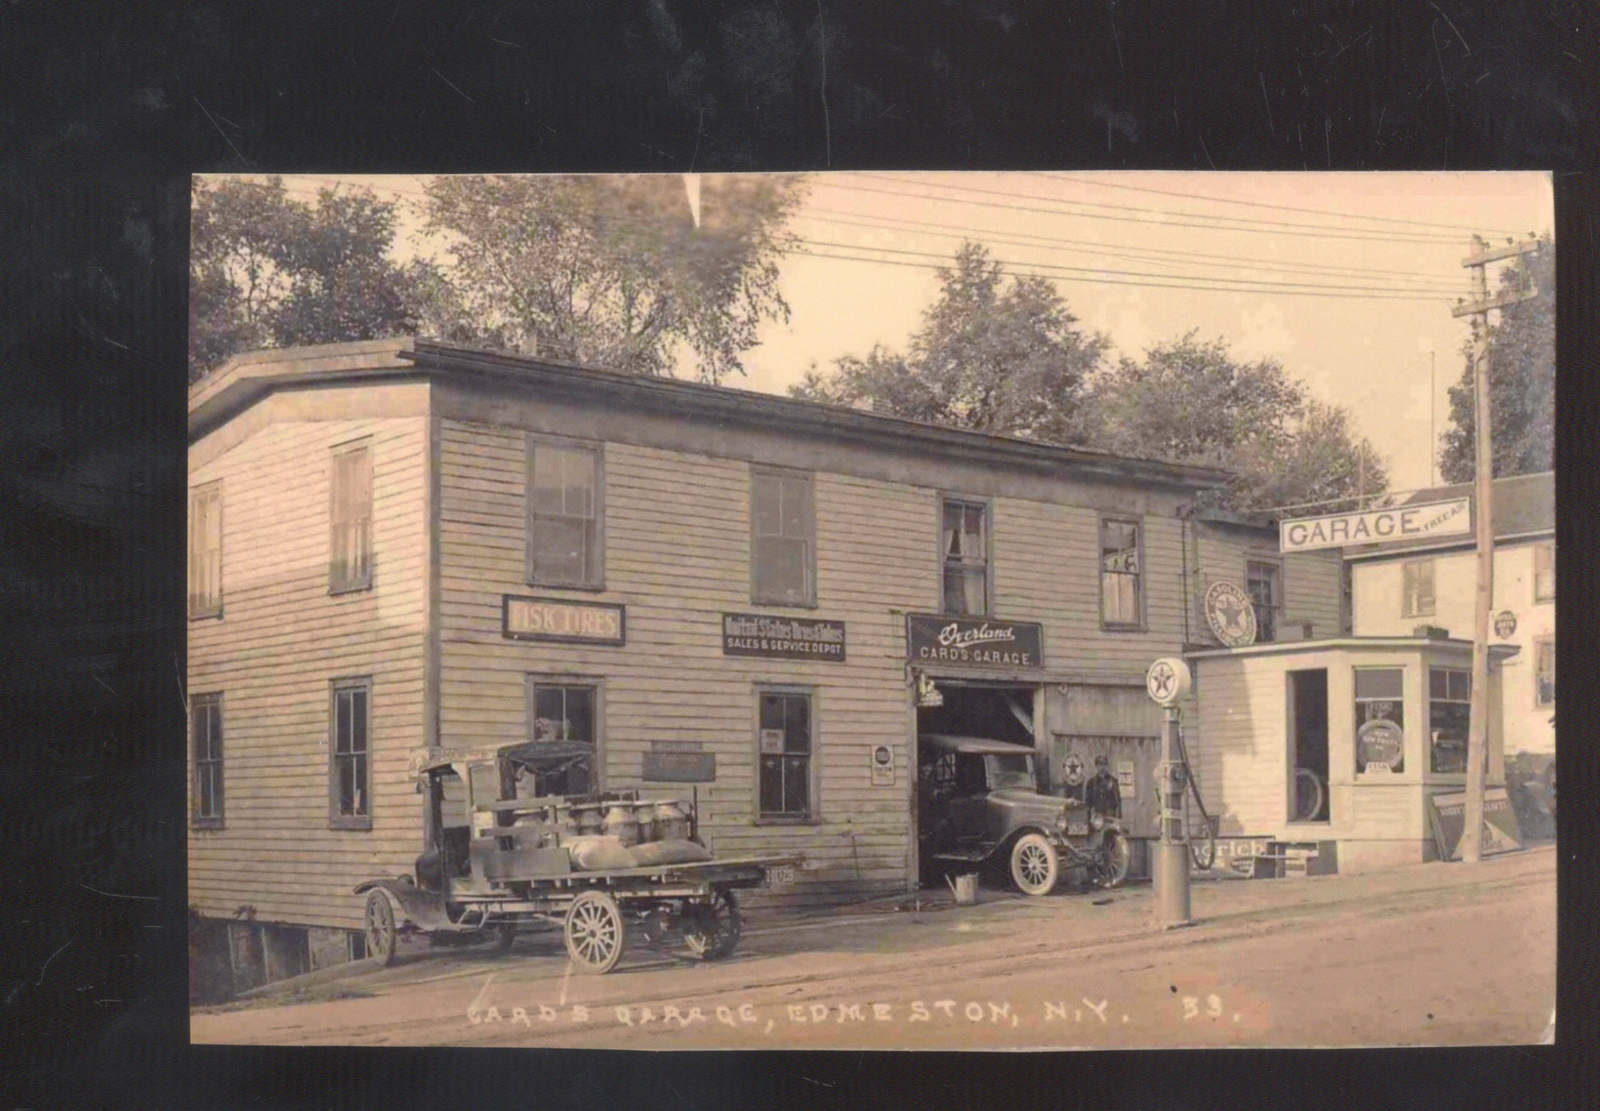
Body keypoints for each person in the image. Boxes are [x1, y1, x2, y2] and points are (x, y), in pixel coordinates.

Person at [1084, 754, 1122, 820]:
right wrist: (1088, 818)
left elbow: (1118, 802)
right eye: (1100, 765)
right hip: (1096, 816)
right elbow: (1088, 803)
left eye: (1104, 765)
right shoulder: (1091, 783)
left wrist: (1118, 817)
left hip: (1110, 815)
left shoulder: (1114, 782)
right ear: (1096, 766)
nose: (1102, 767)